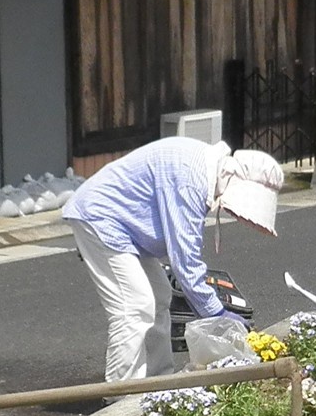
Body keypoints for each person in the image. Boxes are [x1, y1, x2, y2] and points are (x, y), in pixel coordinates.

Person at [60, 138, 284, 381]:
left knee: (159, 295)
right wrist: (216, 312)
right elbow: (184, 261)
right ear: (236, 182)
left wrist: (212, 310)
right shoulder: (193, 180)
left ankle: (157, 380)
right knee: (134, 306)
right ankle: (120, 394)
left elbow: (183, 251)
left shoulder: (206, 170)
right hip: (100, 217)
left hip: (124, 225)